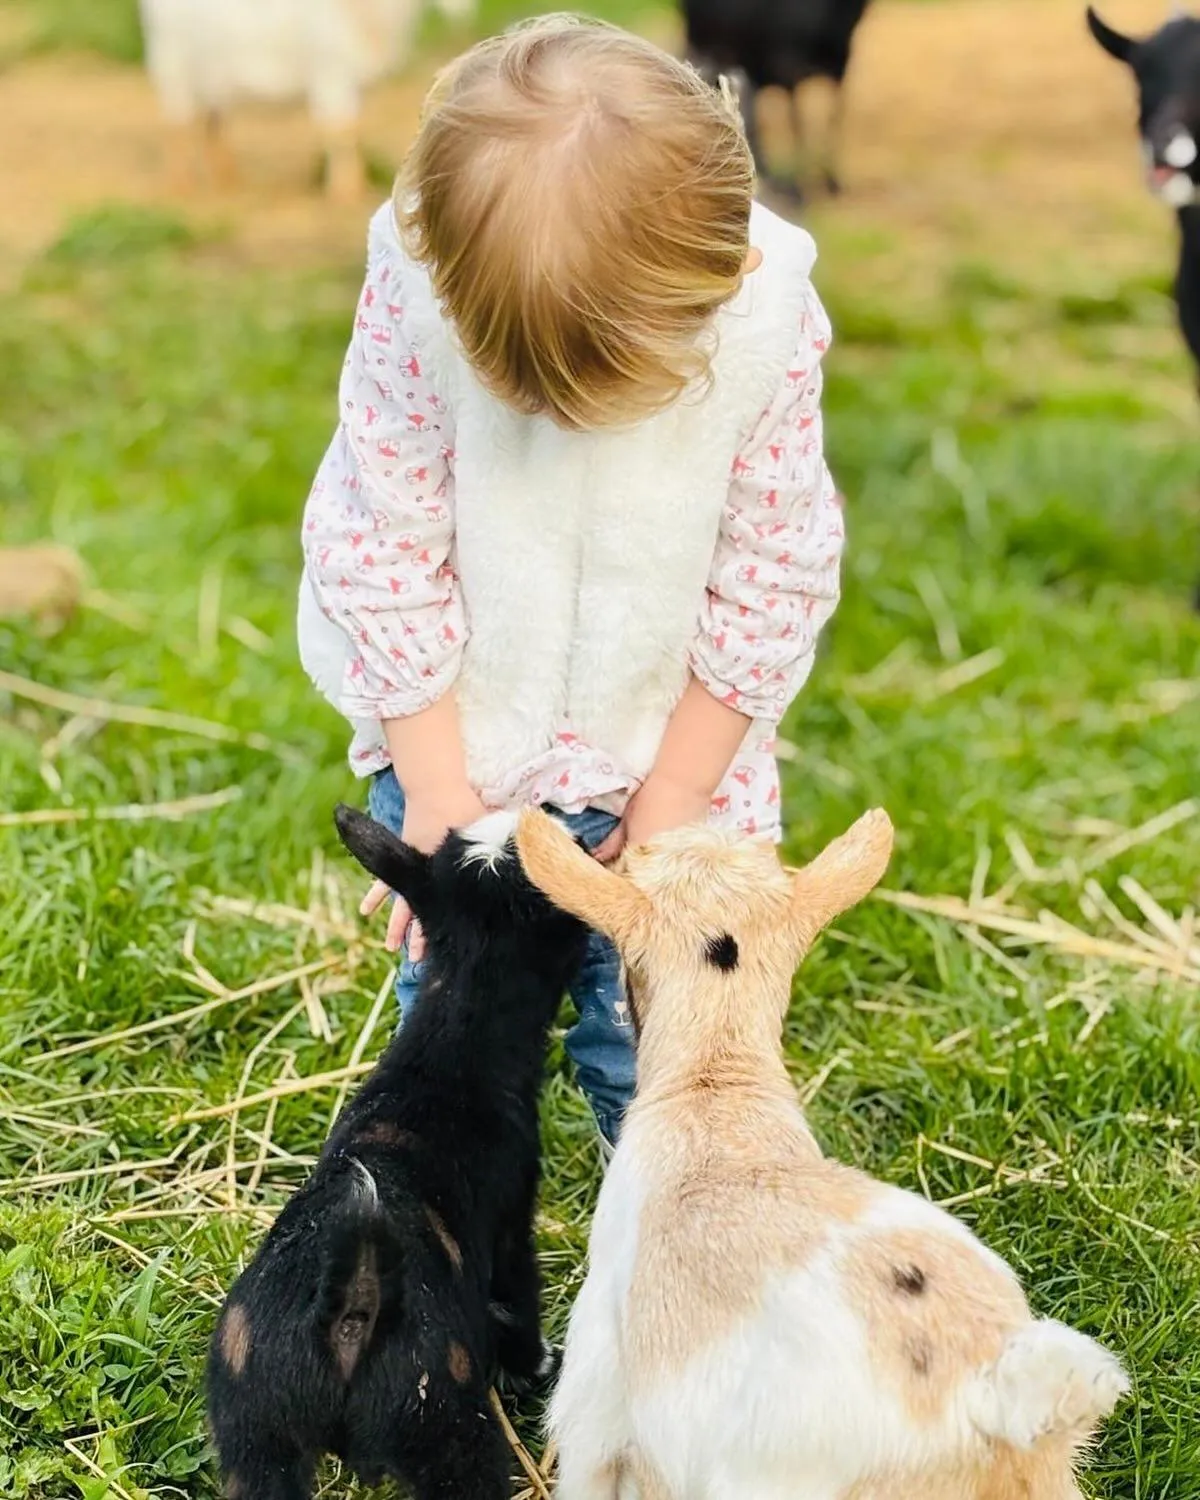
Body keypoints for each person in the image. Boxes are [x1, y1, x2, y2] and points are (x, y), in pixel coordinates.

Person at [298, 15, 844, 1149]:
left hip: (666, 745)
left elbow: (774, 575)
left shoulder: (765, 326)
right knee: (454, 1031)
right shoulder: (415, 299)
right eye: (524, 389)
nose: (554, 422)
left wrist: (680, 795)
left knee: (656, 1038)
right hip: (462, 742)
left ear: (721, 276)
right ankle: (443, 1198)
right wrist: (437, 786)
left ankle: (667, 1209)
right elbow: (381, 540)